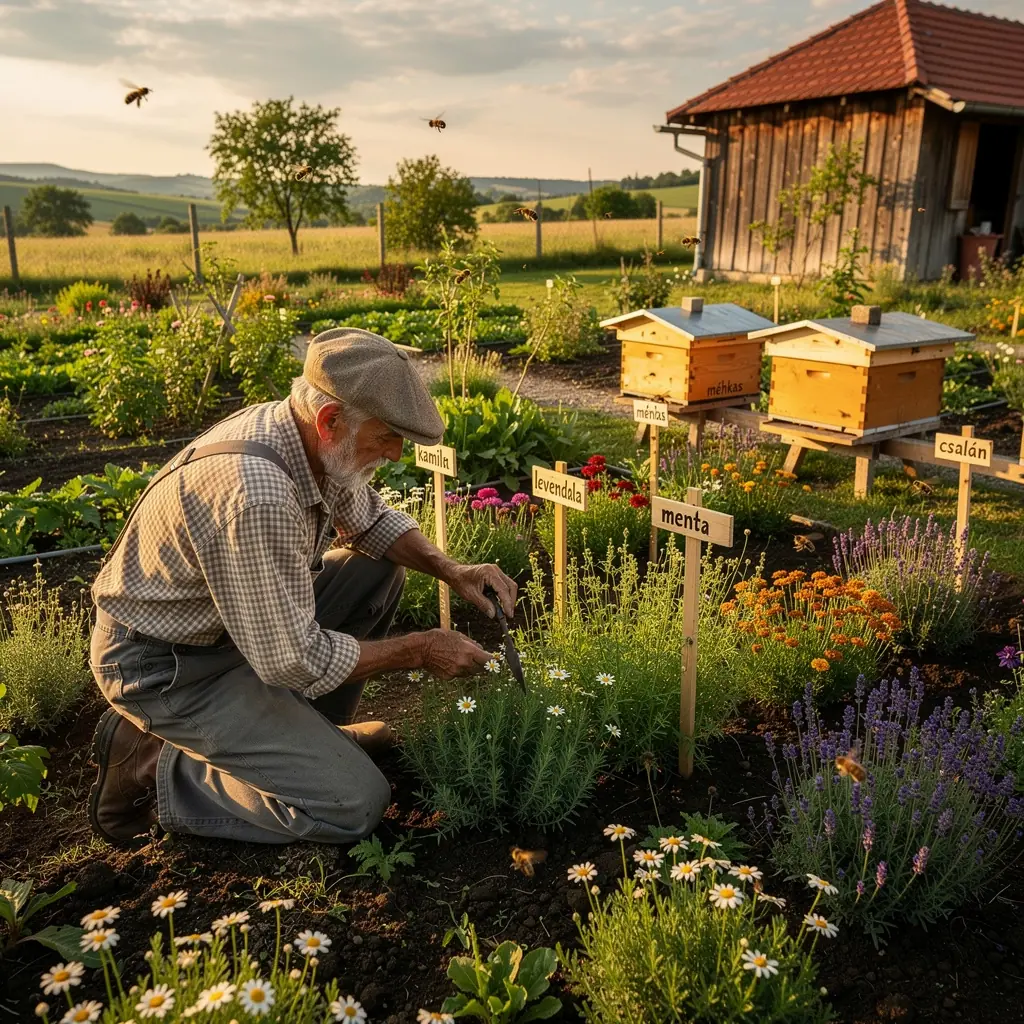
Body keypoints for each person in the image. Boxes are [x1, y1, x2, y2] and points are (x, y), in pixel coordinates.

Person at [87, 327, 516, 846]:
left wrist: (453, 570)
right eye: (387, 438)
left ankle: (306, 741)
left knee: (373, 572)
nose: (397, 454)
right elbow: (293, 660)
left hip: (232, 632)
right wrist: (421, 649)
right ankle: (162, 769)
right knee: (354, 806)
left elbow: (370, 523)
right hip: (165, 667)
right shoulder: (257, 494)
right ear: (331, 420)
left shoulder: (304, 435)